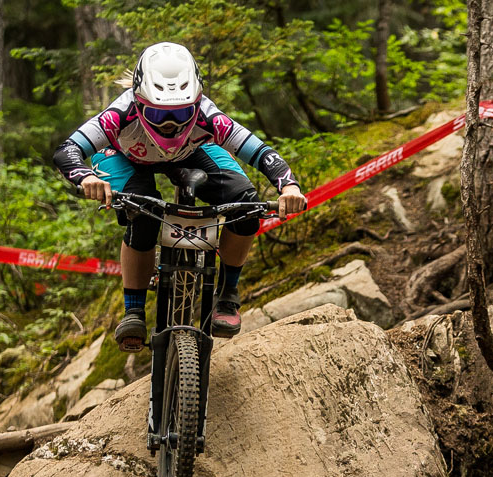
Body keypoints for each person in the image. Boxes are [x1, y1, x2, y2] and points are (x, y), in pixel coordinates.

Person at [54, 42, 307, 351]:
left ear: (196, 102)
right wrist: (86, 177)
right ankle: (133, 310)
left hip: (194, 149)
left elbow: (261, 153)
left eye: (182, 112)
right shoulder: (121, 111)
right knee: (141, 211)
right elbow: (68, 150)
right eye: (158, 114)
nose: (170, 124)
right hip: (124, 155)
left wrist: (289, 186)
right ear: (139, 100)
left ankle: (227, 293)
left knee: (246, 203)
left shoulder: (207, 116)